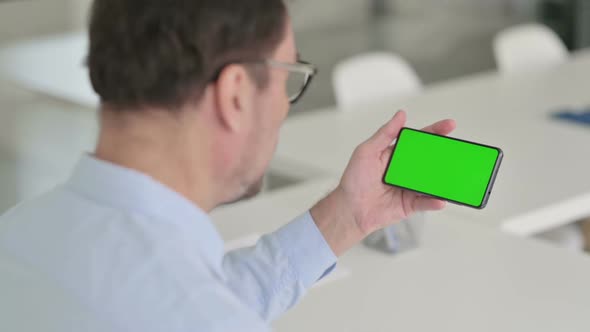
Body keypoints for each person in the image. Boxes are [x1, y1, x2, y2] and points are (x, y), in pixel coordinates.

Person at [0, 0, 455, 331]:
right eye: (287, 79)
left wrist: (347, 215)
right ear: (235, 94)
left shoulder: (16, 234)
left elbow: (191, 293)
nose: (284, 106)